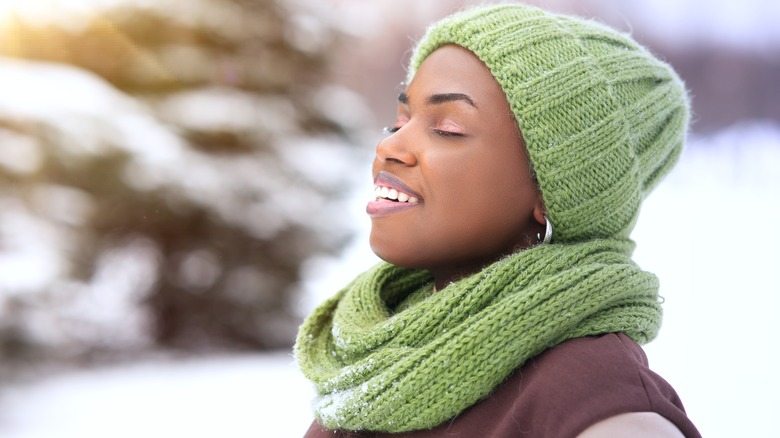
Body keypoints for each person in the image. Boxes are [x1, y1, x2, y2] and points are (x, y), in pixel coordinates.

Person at [295, 3, 701, 437]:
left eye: (447, 128)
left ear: (550, 191)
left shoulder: (595, 400)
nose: (390, 147)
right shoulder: (378, 358)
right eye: (401, 120)